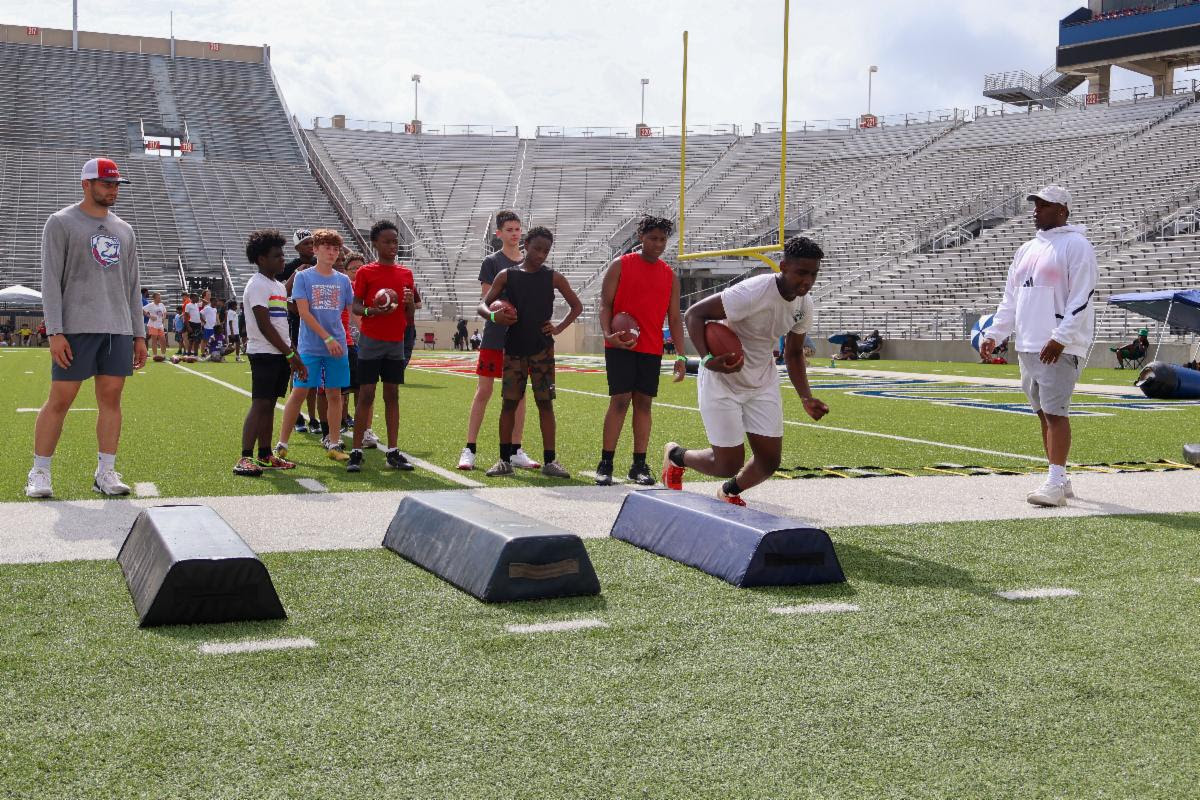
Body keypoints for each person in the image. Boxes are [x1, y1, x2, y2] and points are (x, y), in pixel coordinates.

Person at [661, 236, 829, 507]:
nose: (807, 281)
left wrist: (806, 397)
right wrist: (707, 358)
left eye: (813, 274)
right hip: (723, 379)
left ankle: (729, 491)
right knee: (727, 463)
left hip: (762, 380)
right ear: (783, 266)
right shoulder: (753, 291)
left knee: (769, 462)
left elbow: (795, 353)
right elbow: (694, 314)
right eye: (801, 272)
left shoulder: (804, 304)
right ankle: (677, 456)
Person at [25, 157, 146, 498]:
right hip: (76, 327)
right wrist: (55, 332)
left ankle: (105, 471)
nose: (113, 189)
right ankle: (40, 471)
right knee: (60, 399)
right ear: (86, 184)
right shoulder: (61, 222)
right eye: (107, 183)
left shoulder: (125, 229)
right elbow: (50, 281)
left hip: (118, 328)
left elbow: (132, 285)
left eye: (116, 184)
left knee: (111, 399)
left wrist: (139, 335)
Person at [981, 185, 1097, 508]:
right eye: (1035, 205)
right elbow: (1011, 299)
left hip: (1058, 345)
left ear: (1062, 211)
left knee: (1056, 413)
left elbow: (1082, 296)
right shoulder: (1026, 249)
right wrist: (995, 333)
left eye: (1044, 206)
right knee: (1042, 413)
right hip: (1029, 343)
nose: (1036, 210)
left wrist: (1061, 337)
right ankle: (1059, 476)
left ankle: (1056, 481)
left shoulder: (1077, 245)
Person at [479, 226, 583, 478]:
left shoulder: (553, 277)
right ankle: (504, 460)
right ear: (525, 244)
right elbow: (482, 305)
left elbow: (576, 306)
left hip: (542, 350)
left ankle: (550, 460)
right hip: (514, 348)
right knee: (509, 404)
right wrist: (494, 315)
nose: (541, 254)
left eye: (546, 250)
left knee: (545, 404)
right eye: (537, 248)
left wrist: (557, 328)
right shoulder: (507, 274)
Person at [595, 215, 686, 486]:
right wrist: (608, 334)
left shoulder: (669, 274)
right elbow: (605, 304)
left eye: (662, 239)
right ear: (640, 238)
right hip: (620, 344)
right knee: (620, 400)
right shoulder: (620, 265)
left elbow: (674, 318)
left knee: (644, 404)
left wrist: (681, 354)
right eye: (652, 238)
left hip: (650, 347)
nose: (658, 244)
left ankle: (638, 465)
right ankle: (606, 462)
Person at [458, 210, 539, 471]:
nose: (515, 234)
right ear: (499, 233)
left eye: (518, 229)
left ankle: (516, 449)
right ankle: (469, 448)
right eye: (510, 230)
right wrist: (499, 312)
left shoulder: (531, 262)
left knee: (519, 395)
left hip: (521, 338)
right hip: (495, 336)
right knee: (484, 391)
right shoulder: (492, 262)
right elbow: (486, 300)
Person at [275, 229, 355, 463]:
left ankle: (333, 442)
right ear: (316, 249)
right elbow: (303, 312)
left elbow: (352, 312)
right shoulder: (303, 277)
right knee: (299, 391)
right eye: (327, 248)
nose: (332, 253)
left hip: (338, 347)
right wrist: (326, 338)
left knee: (334, 394)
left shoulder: (343, 281)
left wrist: (368, 330)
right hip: (311, 346)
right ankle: (282, 443)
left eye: (335, 249)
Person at [346, 221, 416, 472]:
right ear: (375, 243)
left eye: (395, 241)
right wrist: (372, 310)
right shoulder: (366, 272)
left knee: (392, 396)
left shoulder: (406, 274)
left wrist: (408, 303)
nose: (392, 246)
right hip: (370, 342)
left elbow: (410, 317)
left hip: (395, 342)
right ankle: (355, 451)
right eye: (387, 241)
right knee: (365, 395)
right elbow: (355, 307)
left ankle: (393, 451)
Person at [234, 229, 305, 476]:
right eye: (277, 256)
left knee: (270, 404)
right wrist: (289, 354)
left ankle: (265, 454)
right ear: (261, 259)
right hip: (264, 353)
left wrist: (292, 351)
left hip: (279, 353)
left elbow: (280, 324)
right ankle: (244, 457)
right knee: (260, 404)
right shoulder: (257, 285)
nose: (282, 259)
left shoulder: (277, 285)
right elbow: (264, 326)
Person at [283, 229, 317, 433]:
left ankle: (313, 417)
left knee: (313, 371)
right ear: (297, 248)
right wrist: (293, 307)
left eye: (313, 242)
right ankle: (296, 415)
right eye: (306, 243)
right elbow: (280, 296)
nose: (310, 246)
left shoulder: (319, 265)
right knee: (296, 368)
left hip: (315, 323)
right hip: (297, 324)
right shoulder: (289, 268)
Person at [143, 292, 167, 360]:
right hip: (153, 325)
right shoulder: (150, 305)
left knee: (163, 340)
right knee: (154, 340)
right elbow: (143, 310)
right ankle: (155, 355)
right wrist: (150, 316)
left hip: (160, 325)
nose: (160, 299)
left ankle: (163, 355)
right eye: (158, 297)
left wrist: (164, 317)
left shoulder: (161, 304)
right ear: (154, 298)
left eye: (160, 297)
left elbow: (165, 312)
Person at [183, 293, 202, 357]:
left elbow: (206, 302)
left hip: (198, 324)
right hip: (192, 324)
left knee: (197, 341)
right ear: (192, 298)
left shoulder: (197, 304)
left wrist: (200, 298)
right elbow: (185, 316)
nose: (197, 298)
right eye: (196, 297)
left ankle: (195, 355)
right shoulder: (188, 305)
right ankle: (188, 354)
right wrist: (188, 326)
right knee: (191, 340)